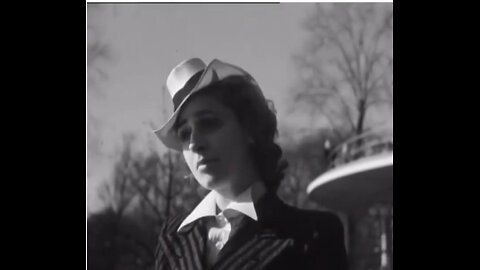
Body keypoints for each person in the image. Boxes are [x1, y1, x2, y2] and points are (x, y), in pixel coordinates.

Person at [153, 58, 348, 270]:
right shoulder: (173, 238)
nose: (194, 143)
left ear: (248, 127)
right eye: (184, 133)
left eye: (208, 122)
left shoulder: (312, 234)